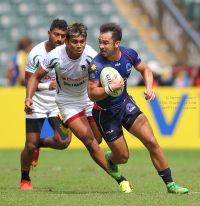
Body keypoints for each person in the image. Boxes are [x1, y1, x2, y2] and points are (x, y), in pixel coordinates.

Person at [25, 22, 133, 193]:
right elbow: (35, 77)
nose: (79, 46)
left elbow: (106, 73)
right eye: (75, 41)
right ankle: (121, 180)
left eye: (82, 41)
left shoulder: (91, 55)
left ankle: (65, 124)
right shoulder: (54, 56)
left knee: (97, 139)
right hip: (67, 103)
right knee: (90, 142)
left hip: (88, 99)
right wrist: (28, 98)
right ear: (67, 42)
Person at [87, 22, 188, 194]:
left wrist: (149, 87)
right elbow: (91, 93)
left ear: (117, 43)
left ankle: (170, 185)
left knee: (152, 142)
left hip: (126, 105)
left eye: (105, 42)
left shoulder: (129, 54)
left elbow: (146, 69)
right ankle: (110, 160)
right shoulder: (97, 64)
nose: (101, 46)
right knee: (123, 158)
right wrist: (110, 88)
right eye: (100, 42)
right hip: (105, 114)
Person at [20, 19, 72, 190]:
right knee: (29, 145)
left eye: (63, 36)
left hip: (58, 103)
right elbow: (28, 80)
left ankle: (39, 144)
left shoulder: (68, 52)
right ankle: (25, 179)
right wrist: (45, 86)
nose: (59, 38)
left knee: (63, 142)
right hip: (38, 102)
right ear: (49, 33)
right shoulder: (36, 53)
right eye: (56, 34)